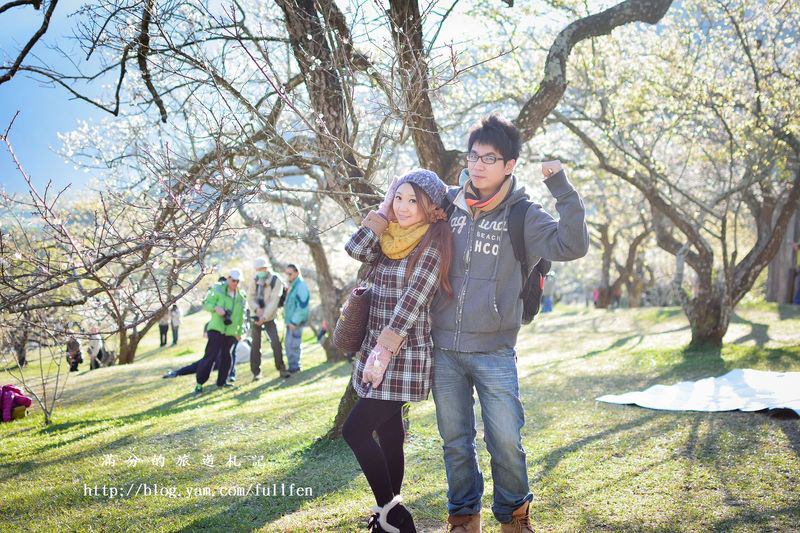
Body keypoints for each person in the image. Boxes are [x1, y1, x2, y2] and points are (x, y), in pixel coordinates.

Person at [430, 115, 588, 532]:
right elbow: (400, 216)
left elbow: (573, 244)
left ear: (510, 165)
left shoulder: (524, 215)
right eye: (473, 156)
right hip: (443, 349)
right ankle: (463, 516)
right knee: (455, 443)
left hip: (495, 349)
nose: (478, 165)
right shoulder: (446, 206)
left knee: (505, 441)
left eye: (490, 158)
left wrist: (561, 187)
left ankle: (514, 515)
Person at [342, 169, 453, 533]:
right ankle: (388, 517)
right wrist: (381, 215)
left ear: (430, 207)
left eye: (413, 201)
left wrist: (383, 351)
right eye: (399, 197)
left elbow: (413, 300)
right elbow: (355, 248)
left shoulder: (433, 243)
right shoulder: (387, 235)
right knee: (389, 434)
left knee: (355, 430)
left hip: (403, 354)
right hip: (374, 347)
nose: (404, 207)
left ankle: (393, 512)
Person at [194, 269, 247, 396]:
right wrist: (215, 308)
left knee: (226, 356)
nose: (235, 283)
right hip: (216, 328)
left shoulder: (240, 296)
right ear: (228, 278)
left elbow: (241, 316)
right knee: (210, 356)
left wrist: (239, 332)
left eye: (238, 281)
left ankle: (222, 382)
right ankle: (199, 383)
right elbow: (206, 304)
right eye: (233, 280)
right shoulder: (217, 289)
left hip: (231, 331)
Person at [249, 256, 289, 379]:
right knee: (256, 345)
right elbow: (250, 297)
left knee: (275, 343)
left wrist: (264, 316)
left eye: (261, 269)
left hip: (269, 316)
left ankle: (281, 369)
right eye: (257, 269)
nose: (259, 272)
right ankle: (256, 372)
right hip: (255, 315)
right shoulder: (255, 279)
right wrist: (256, 309)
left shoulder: (276, 280)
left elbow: (274, 300)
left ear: (266, 268)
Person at [283, 264, 310, 374]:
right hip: (290, 321)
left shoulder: (301, 286)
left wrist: (294, 321)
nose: (288, 276)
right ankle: (292, 367)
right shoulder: (293, 285)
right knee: (289, 344)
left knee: (293, 344)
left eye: (290, 273)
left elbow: (302, 306)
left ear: (297, 273)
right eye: (287, 274)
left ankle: (295, 367)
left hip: (295, 322)